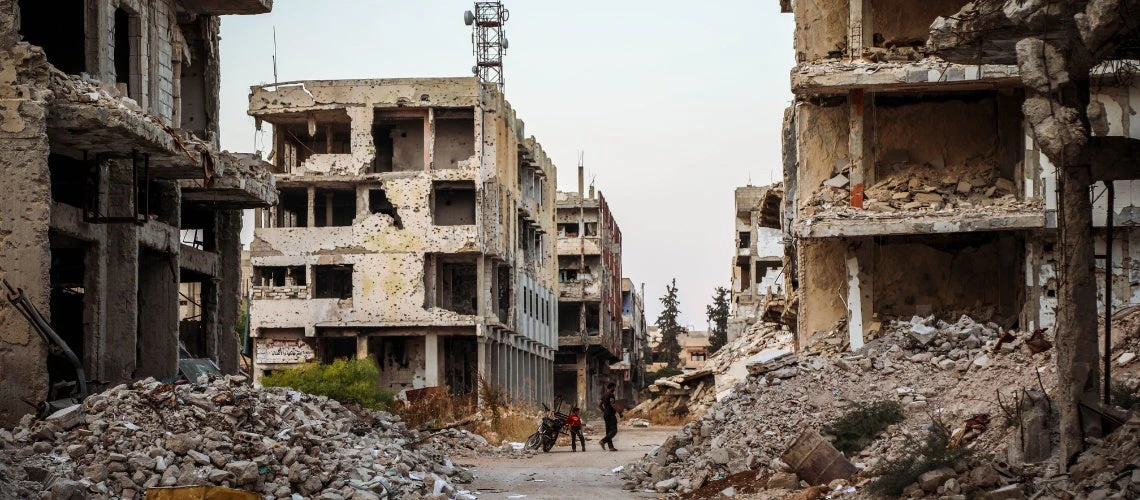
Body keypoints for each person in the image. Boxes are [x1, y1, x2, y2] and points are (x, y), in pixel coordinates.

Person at [597, 383, 620, 451]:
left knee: (608, 431)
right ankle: (603, 441)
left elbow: (599, 404)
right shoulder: (611, 395)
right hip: (611, 415)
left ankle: (611, 447)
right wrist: (619, 412)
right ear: (611, 387)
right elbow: (612, 404)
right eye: (614, 387)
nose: (614, 389)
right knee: (614, 430)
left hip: (606, 414)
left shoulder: (604, 395)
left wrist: (604, 411)